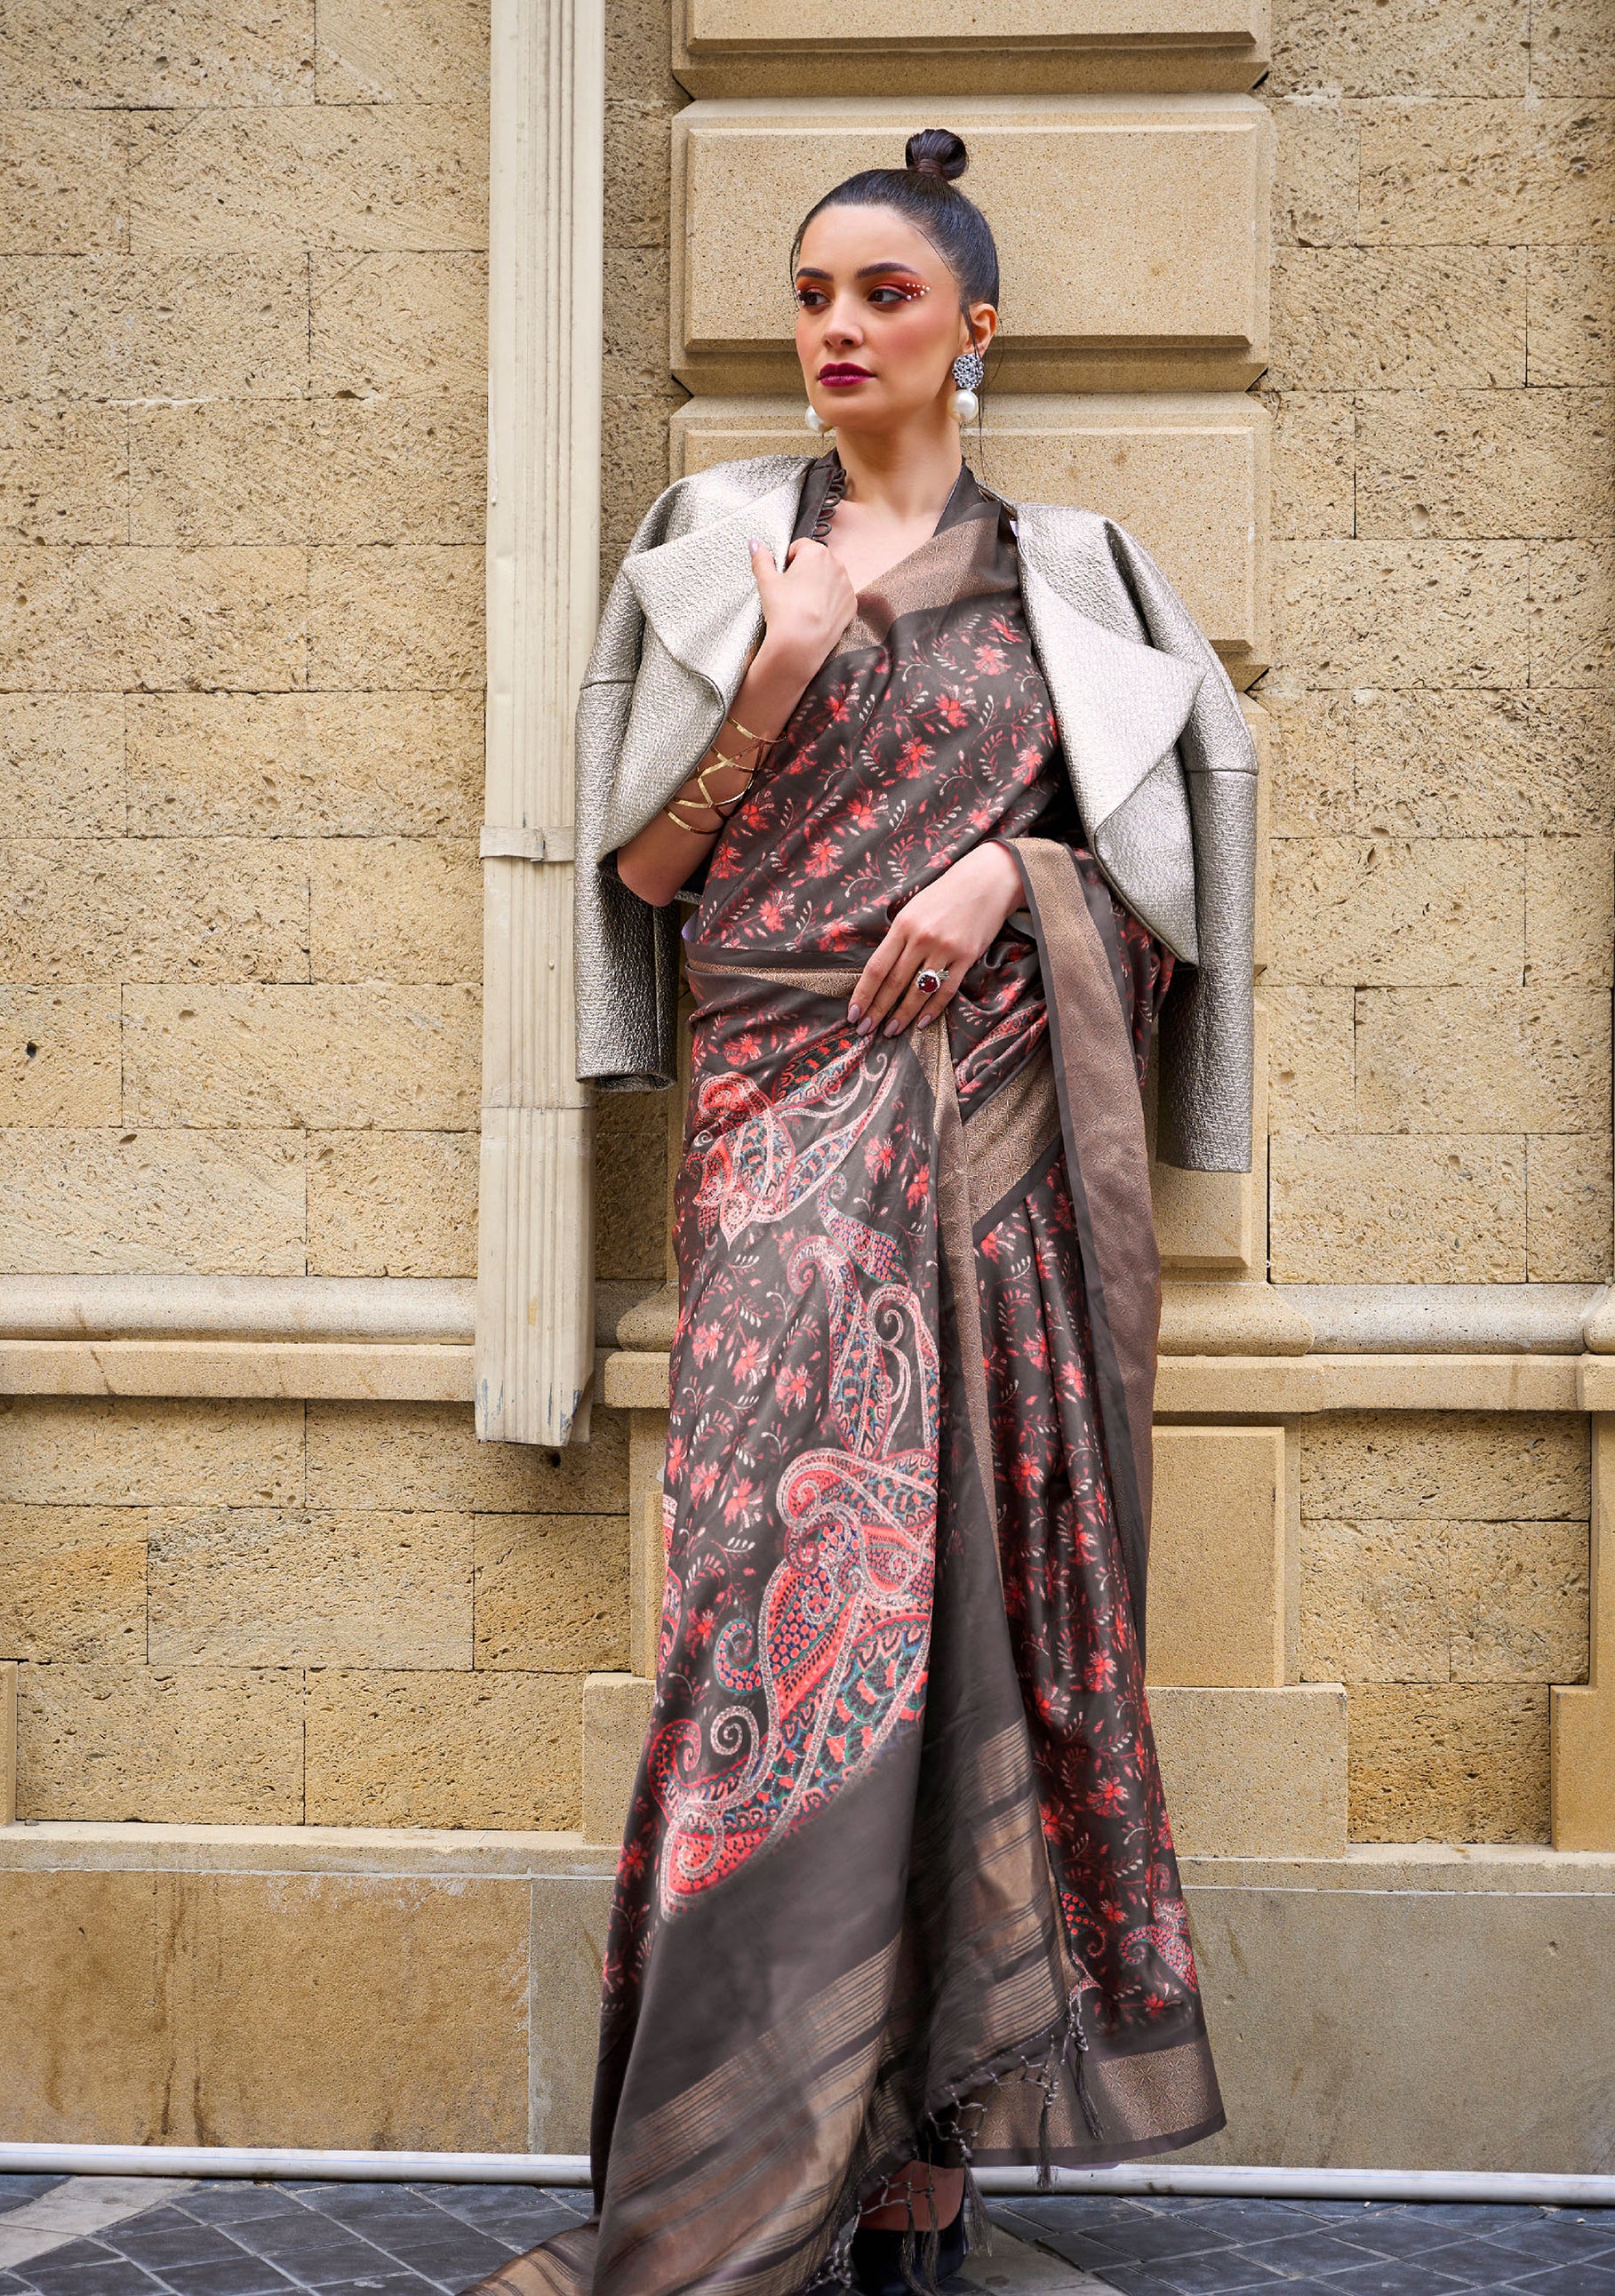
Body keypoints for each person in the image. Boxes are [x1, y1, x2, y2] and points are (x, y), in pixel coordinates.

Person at [487, 128, 1255, 2296]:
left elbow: (1174, 893)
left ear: (970, 328)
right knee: (767, 1616)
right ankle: (731, 2158)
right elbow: (644, 877)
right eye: (810, 293)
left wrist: (1011, 870)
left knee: (982, 1603)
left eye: (881, 293)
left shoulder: (1079, 582)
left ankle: (921, 2166)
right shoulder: (713, 550)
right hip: (775, 1128)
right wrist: (774, 673)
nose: (834, 327)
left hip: (993, 1143)